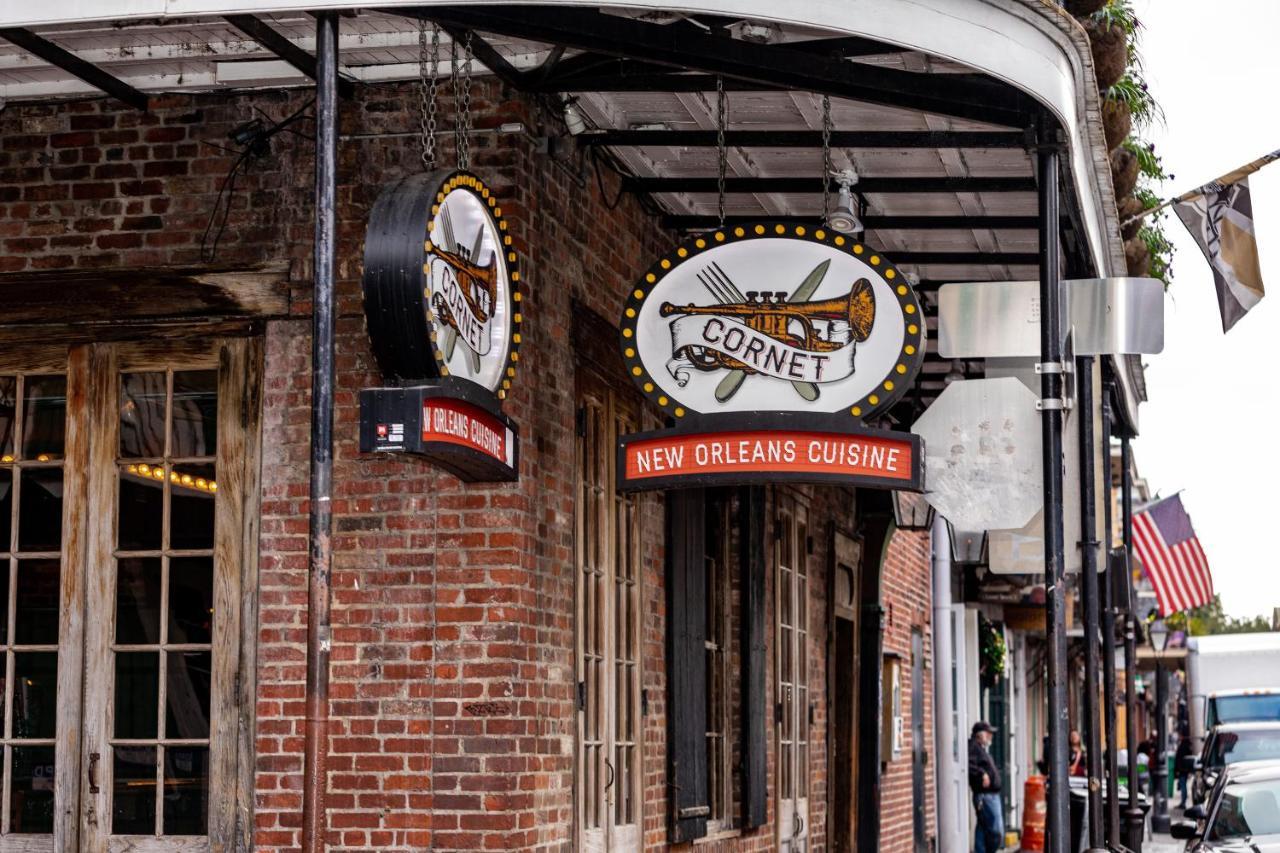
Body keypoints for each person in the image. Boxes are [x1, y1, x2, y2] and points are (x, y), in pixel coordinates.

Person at [969, 721, 1004, 853]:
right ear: (980, 734)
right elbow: (969, 765)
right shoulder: (973, 746)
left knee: (983, 829)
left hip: (990, 796)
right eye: (988, 734)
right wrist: (982, 773)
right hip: (985, 796)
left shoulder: (980, 748)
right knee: (996, 831)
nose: (991, 736)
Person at [1175, 728, 1194, 809]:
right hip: (1184, 769)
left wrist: (1178, 769)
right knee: (1182, 785)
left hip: (1183, 769)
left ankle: (1183, 802)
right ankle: (1183, 801)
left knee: (1183, 786)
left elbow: (1180, 759)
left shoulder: (1184, 746)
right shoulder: (1186, 746)